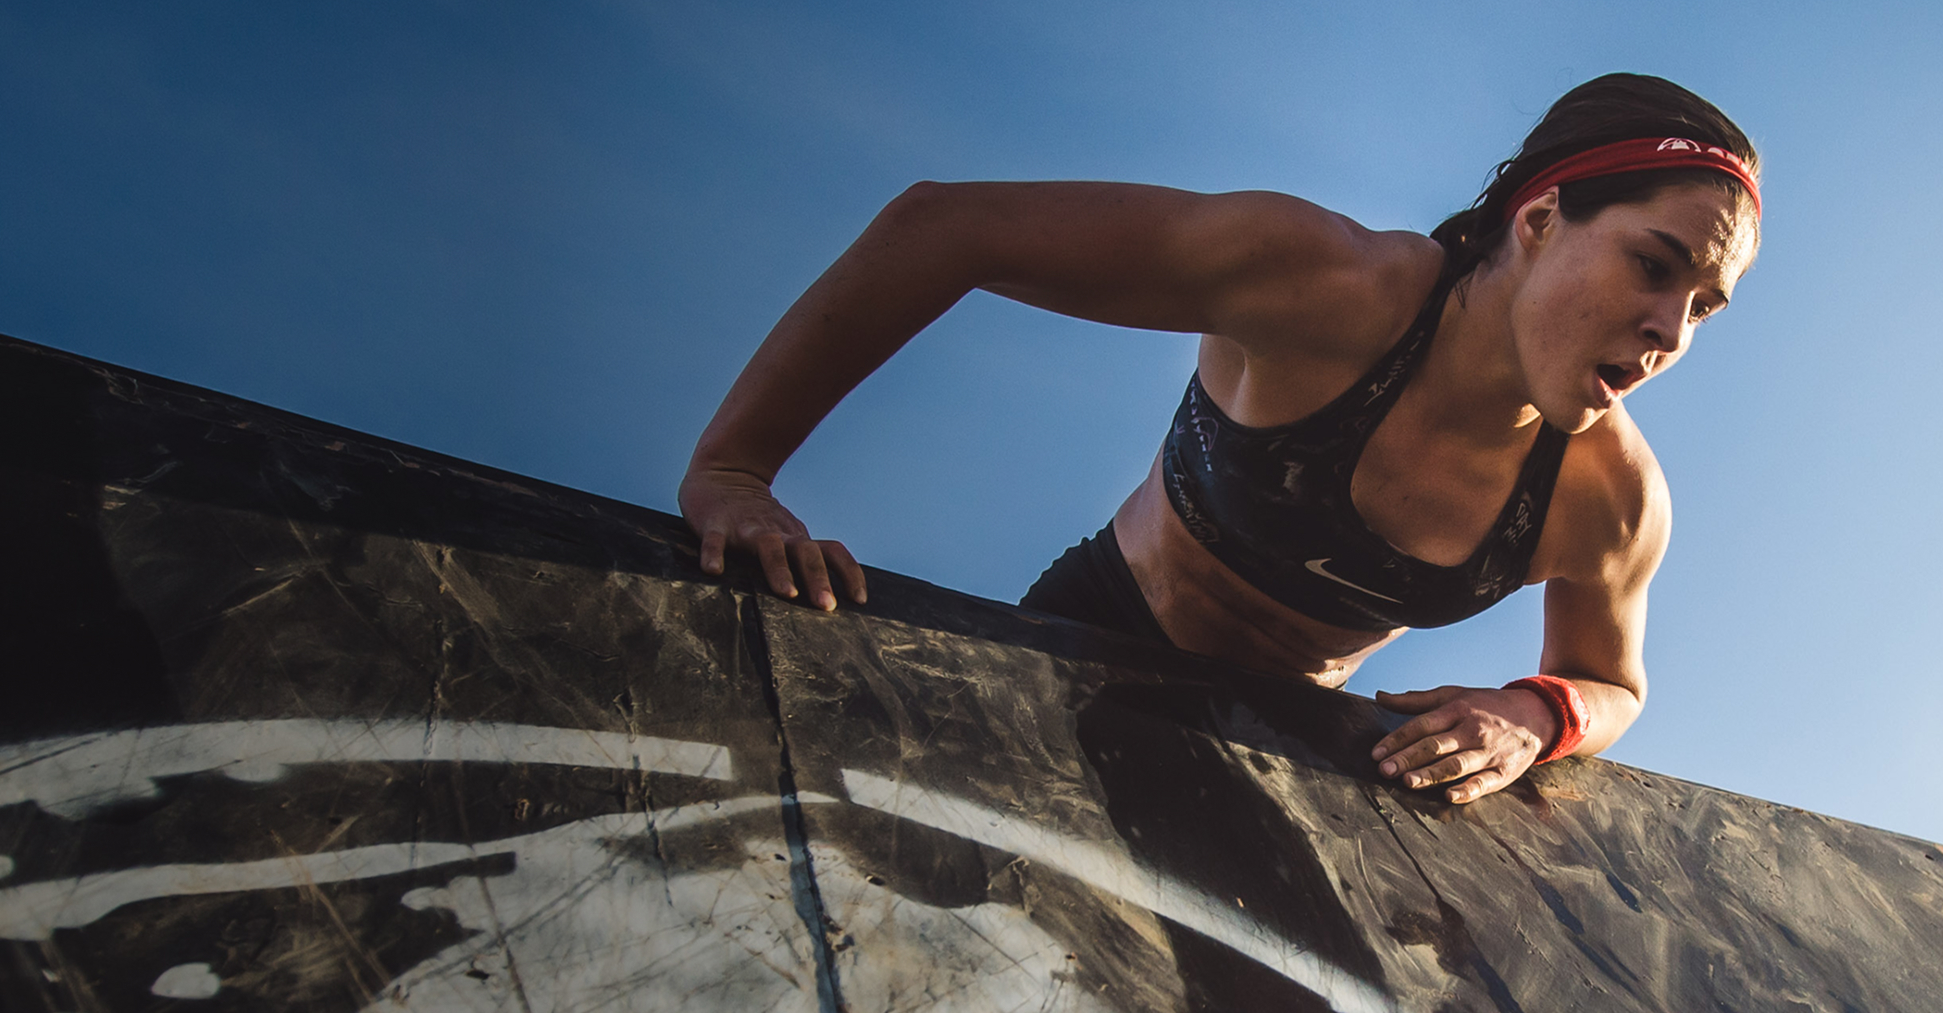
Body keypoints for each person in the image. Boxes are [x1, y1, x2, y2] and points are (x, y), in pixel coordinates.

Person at [679, 73, 1759, 804]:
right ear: (1539, 219)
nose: (1669, 331)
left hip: (1281, 741)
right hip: (1084, 636)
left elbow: (1609, 684)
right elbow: (946, 228)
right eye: (1652, 265)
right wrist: (734, 471)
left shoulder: (1609, 498)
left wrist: (1533, 713)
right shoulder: (1321, 285)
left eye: (1704, 308)